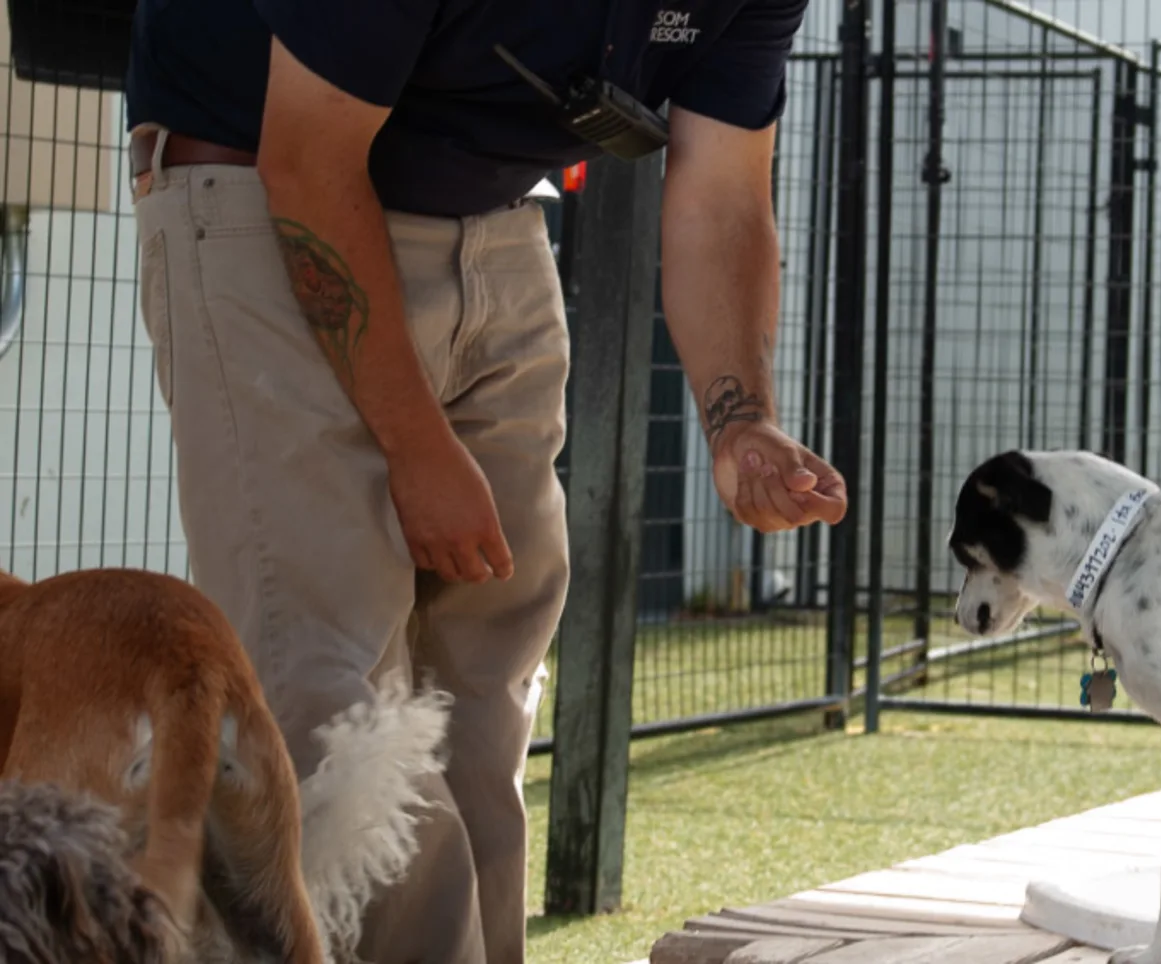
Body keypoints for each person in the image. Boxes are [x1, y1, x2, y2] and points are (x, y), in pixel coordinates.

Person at [122, 1, 845, 961]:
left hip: (497, 223)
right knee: (325, 692)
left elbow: (722, 191)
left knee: (485, 683)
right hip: (266, 191)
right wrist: (418, 449)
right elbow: (308, 160)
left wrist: (738, 415)